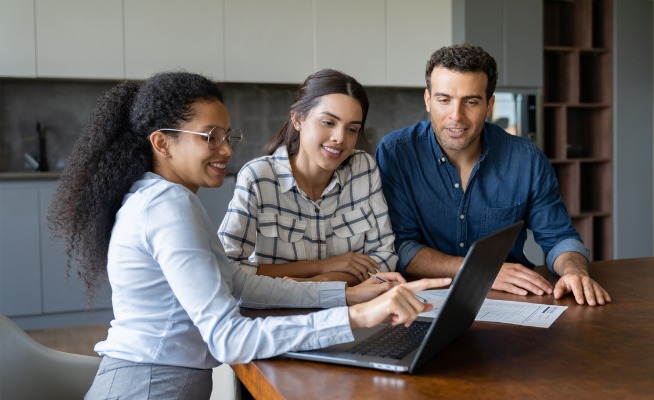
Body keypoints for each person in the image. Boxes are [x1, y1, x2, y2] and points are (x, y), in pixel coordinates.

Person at [47, 71, 450, 400]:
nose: (225, 150)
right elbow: (227, 338)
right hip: (149, 387)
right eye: (210, 137)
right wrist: (357, 316)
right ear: (162, 143)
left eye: (226, 136)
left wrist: (349, 295)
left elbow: (239, 283)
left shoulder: (166, 199)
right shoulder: (166, 208)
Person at [375, 44, 610, 307]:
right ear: (428, 100)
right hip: (421, 301)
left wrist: (574, 271)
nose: (456, 116)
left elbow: (559, 237)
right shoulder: (396, 152)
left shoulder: (526, 160)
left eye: (471, 101)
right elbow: (402, 247)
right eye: (444, 100)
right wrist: (481, 270)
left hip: (508, 301)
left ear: (489, 105)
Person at [218, 69, 396, 286]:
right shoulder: (258, 177)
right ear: (298, 119)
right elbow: (227, 266)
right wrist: (323, 266)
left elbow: (385, 256)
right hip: (277, 313)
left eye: (352, 129)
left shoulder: (363, 169)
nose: (340, 138)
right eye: (328, 122)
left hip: (350, 310)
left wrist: (325, 280)